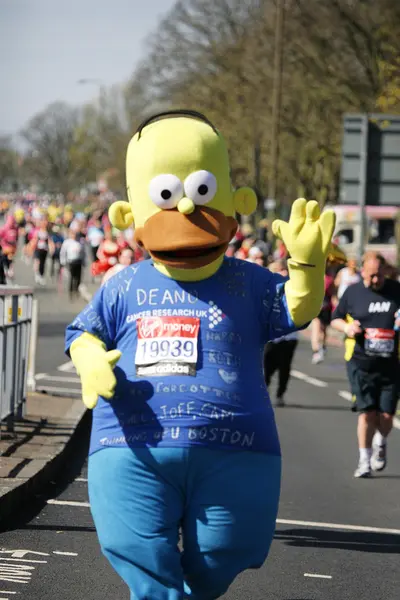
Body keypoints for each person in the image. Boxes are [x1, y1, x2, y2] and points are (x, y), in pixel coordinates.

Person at [65, 110, 335, 600]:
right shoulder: (121, 284)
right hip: (132, 445)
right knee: (136, 551)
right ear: (130, 215)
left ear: (236, 200)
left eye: (202, 192)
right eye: (167, 196)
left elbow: (298, 307)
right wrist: (89, 360)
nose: (187, 208)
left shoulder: (248, 280)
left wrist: (307, 264)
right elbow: (81, 332)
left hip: (237, 448)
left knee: (228, 550)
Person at [331, 251, 400, 478]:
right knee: (367, 413)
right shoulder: (354, 292)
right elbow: (336, 318)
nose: (375, 280)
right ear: (362, 272)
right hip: (361, 362)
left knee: (387, 416)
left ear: (386, 272)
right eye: (370, 276)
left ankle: (381, 441)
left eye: (379, 275)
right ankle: (364, 461)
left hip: (391, 364)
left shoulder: (396, 291)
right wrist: (348, 328)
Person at [263, 260, 298, 407]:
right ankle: (264, 391)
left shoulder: (294, 288)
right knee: (267, 366)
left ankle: (280, 394)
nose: (283, 272)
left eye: (285, 269)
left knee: (285, 367)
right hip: (270, 336)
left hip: (289, 336)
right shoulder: (265, 288)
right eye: (279, 269)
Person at [311, 268, 335, 364]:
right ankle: (316, 351)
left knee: (324, 329)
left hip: (326, 307)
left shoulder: (330, 279)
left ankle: (323, 346)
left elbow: (333, 294)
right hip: (316, 307)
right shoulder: (314, 278)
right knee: (316, 328)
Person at [60, 230, 86, 300]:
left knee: (79, 277)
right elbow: (63, 252)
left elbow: (83, 252)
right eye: (72, 234)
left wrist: (84, 261)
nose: (74, 236)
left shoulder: (80, 242)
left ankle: (76, 290)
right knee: (72, 276)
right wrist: (63, 261)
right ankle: (71, 291)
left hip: (79, 261)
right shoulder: (67, 242)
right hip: (71, 261)